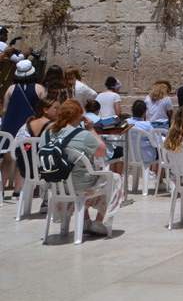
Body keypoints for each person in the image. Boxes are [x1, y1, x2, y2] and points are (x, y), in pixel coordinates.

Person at [46, 100, 123, 237]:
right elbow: (102, 152)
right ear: (78, 116)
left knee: (83, 174)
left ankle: (86, 220)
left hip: (55, 184)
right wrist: (91, 130)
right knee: (115, 178)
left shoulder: (47, 134)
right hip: (80, 185)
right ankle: (99, 222)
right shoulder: (82, 135)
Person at [1, 59, 46, 196]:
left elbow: (4, 110)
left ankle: (1, 190)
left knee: (7, 160)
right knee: (23, 159)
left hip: (10, 126)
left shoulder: (11, 88)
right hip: (29, 127)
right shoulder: (39, 88)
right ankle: (17, 190)